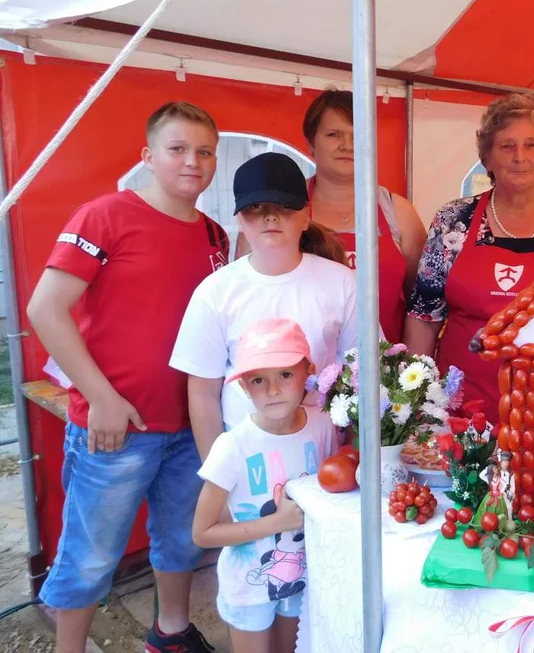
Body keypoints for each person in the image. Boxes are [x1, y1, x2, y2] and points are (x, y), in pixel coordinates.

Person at [26, 102, 225, 653]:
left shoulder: (214, 233)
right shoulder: (105, 215)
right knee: (89, 556)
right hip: (117, 428)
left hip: (189, 426)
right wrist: (101, 398)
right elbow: (46, 309)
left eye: (204, 151)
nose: (192, 162)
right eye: (178, 149)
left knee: (183, 543)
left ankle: (171, 633)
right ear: (149, 156)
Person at [171, 152, 361, 461]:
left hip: (324, 459)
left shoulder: (343, 283)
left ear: (306, 215)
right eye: (255, 208)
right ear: (239, 220)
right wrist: (217, 476)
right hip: (246, 462)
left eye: (284, 207)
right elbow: (203, 393)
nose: (270, 217)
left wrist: (353, 458)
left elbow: (361, 377)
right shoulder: (215, 292)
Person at [404, 93, 534, 415]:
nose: (520, 157)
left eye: (532, 145)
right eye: (506, 146)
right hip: (460, 403)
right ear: (486, 157)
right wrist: (415, 399)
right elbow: (424, 316)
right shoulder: (453, 220)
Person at [236, 90, 426, 343]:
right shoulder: (277, 210)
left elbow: (423, 304)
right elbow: (246, 292)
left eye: (358, 135)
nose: (347, 145)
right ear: (310, 143)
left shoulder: (398, 212)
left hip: (384, 373)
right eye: (334, 134)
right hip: (298, 373)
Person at [193, 318, 336, 653]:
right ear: (244, 386)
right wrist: (277, 523)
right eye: (259, 380)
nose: (273, 390)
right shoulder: (233, 446)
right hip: (249, 587)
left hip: (304, 578)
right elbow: (202, 533)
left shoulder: (323, 426)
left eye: (285, 375)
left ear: (308, 372)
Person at [473, 450, 516, 523]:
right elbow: (482, 476)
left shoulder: (510, 473)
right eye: (503, 462)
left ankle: (509, 522)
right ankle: (490, 522)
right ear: (500, 462)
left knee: (509, 508)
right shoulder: (495, 472)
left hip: (505, 493)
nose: (505, 464)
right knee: (492, 509)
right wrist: (487, 469)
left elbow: (512, 485)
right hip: (494, 494)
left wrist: (512, 492)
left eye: (507, 462)